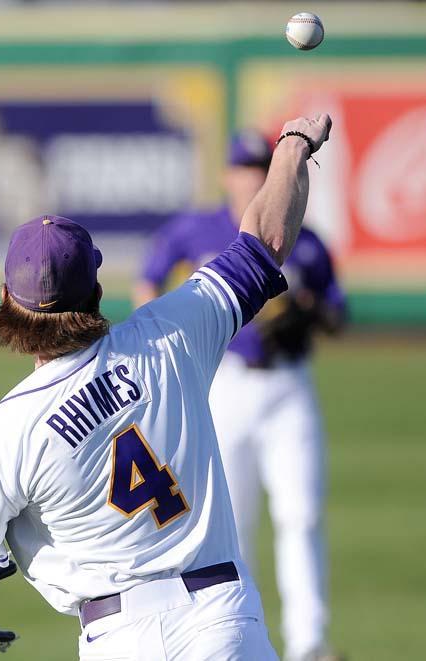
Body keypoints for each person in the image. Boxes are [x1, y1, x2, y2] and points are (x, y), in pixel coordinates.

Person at [0, 114, 332, 661]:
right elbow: (266, 241)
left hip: (118, 638)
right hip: (222, 622)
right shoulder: (169, 333)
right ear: (96, 289)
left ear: (7, 302)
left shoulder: (5, 432)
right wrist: (295, 144)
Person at [135, 129, 346, 661]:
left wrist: (312, 316)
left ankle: (308, 641)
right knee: (233, 518)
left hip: (288, 384)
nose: (253, 178)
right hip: (223, 383)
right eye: (245, 169)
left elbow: (337, 312)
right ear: (228, 175)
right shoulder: (195, 230)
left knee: (302, 515)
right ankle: (243, 632)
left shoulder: (307, 239)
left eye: (262, 169)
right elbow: (148, 283)